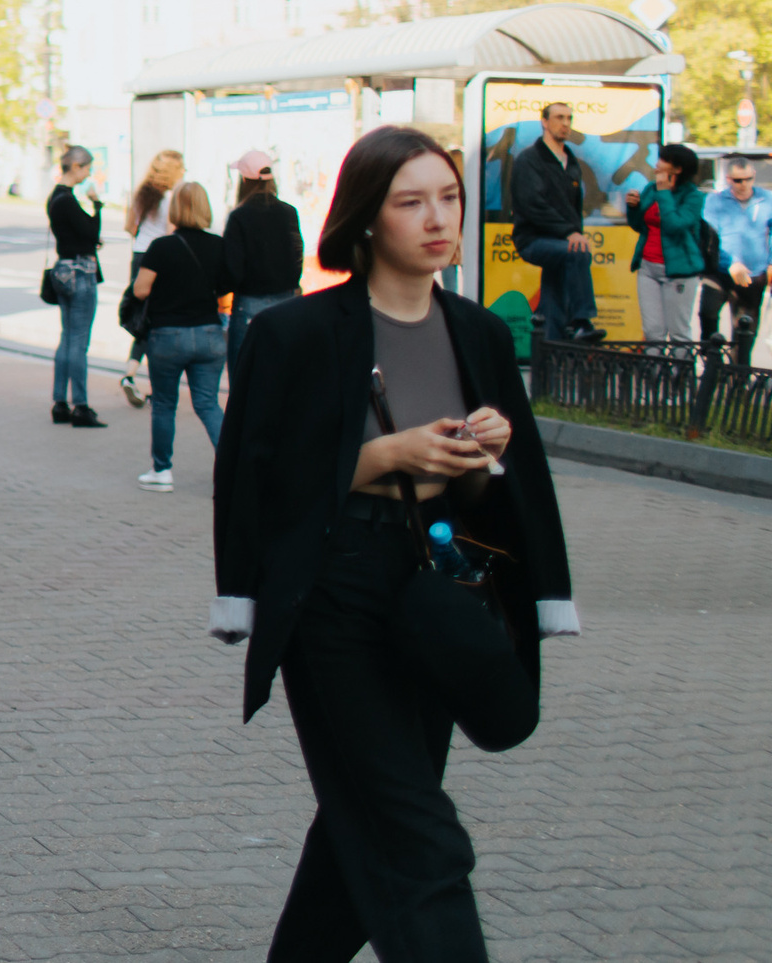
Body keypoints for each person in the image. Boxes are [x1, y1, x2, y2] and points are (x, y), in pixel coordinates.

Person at [212, 124, 578, 963]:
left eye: (448, 197)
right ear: (368, 218)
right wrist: (384, 455)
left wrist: (484, 454)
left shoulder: (480, 333)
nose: (436, 217)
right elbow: (252, 483)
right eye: (411, 201)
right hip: (333, 595)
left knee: (369, 813)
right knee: (413, 826)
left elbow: (500, 497)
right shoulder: (295, 335)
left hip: (435, 591)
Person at [131, 179, 230, 492]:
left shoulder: (161, 247)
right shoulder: (219, 246)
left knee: (163, 404)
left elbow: (140, 289)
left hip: (168, 335)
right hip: (210, 334)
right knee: (208, 403)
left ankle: (162, 472)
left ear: (174, 209)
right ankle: (232, 469)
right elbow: (226, 286)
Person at [510, 101, 603, 343]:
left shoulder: (570, 161)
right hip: (533, 239)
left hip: (559, 241)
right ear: (544, 121)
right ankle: (582, 320)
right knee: (578, 252)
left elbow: (573, 209)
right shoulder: (529, 159)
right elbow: (532, 205)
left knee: (554, 298)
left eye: (569, 118)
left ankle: (553, 356)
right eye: (559, 117)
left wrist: (574, 231)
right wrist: (571, 233)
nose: (565, 123)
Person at [222, 148, 304, 366]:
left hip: (249, 303)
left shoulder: (239, 216)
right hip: (288, 302)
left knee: (244, 377)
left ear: (244, 180)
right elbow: (297, 257)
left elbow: (233, 269)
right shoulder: (289, 212)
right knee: (284, 376)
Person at [119, 150, 186, 404]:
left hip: (138, 257)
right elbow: (171, 233)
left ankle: (130, 374)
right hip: (159, 260)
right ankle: (157, 383)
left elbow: (130, 227)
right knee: (158, 320)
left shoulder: (142, 194)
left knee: (142, 317)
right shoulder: (170, 198)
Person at [46, 146, 106, 425]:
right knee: (78, 342)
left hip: (62, 271)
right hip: (81, 273)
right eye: (88, 168)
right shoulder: (68, 200)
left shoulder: (54, 198)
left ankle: (59, 402)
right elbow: (91, 232)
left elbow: (75, 233)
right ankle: (80, 405)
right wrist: (97, 204)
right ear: (77, 167)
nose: (89, 174)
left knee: (67, 337)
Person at [627, 141, 707, 342]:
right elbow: (639, 226)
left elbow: (674, 225)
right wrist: (633, 207)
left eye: (664, 160)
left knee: (679, 332)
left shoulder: (693, 196)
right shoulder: (651, 188)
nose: (658, 163)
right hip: (647, 267)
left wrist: (664, 193)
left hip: (678, 271)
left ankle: (681, 373)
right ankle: (656, 373)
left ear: (678, 169)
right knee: (653, 331)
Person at [703, 157, 772, 362]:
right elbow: (712, 235)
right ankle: (711, 360)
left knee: (745, 327)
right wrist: (732, 261)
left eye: (748, 179)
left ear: (753, 177)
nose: (743, 185)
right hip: (720, 270)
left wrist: (771, 263)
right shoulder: (715, 201)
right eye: (737, 180)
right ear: (728, 179)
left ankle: (738, 376)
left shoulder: (766, 199)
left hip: (753, 272)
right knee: (707, 311)